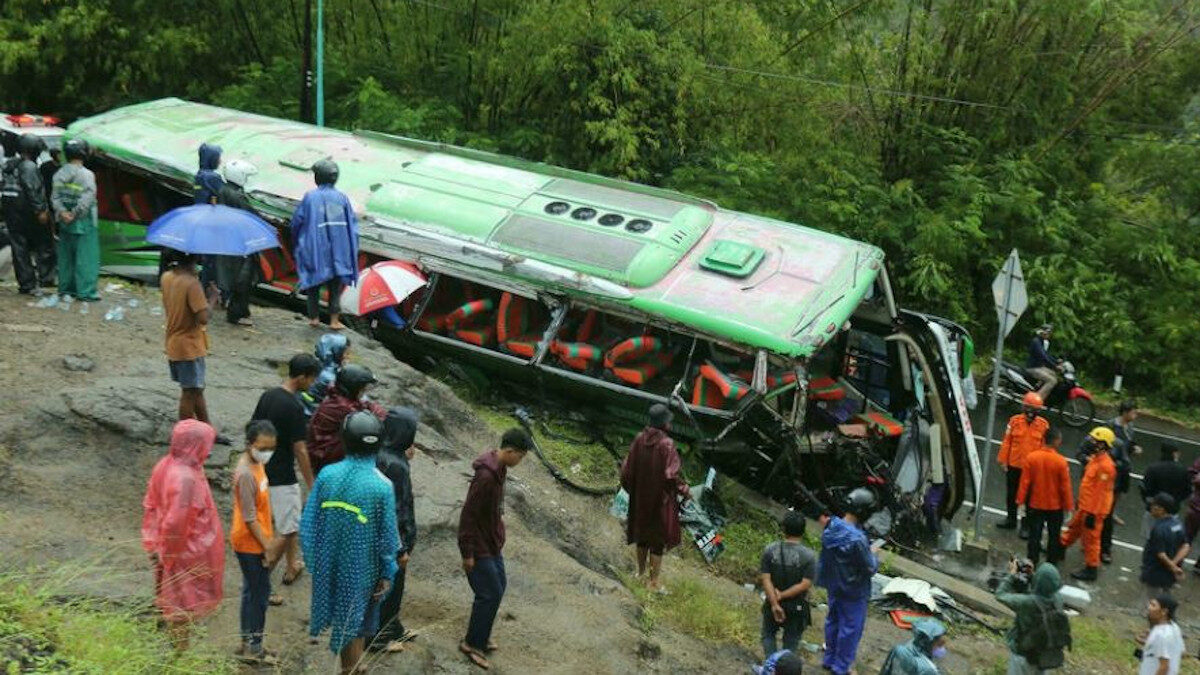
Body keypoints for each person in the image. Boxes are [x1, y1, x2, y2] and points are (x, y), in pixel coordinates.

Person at [301, 412, 400, 675]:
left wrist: (315, 562)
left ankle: (353, 665)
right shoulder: (382, 486)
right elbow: (388, 540)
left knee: (348, 618)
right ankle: (349, 669)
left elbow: (309, 523)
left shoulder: (327, 474)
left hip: (328, 563)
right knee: (357, 620)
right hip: (362, 572)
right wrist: (387, 573)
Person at [140, 419, 225, 652]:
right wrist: (168, 555)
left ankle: (171, 640)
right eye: (206, 445)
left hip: (164, 543)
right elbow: (176, 523)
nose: (209, 450)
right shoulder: (186, 478)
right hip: (182, 552)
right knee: (181, 606)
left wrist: (157, 545)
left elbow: (154, 503)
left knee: (169, 595)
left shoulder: (167, 464)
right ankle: (180, 656)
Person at [457, 428, 532, 670]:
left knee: (498, 587)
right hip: (478, 545)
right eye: (520, 456)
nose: (520, 461)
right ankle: (472, 644)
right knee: (488, 593)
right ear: (509, 451)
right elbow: (468, 515)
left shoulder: (500, 468)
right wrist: (467, 553)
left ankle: (481, 633)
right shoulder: (486, 476)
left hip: (491, 541)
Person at [251, 353, 321, 598]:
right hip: (282, 476)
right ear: (302, 377)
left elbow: (253, 429)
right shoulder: (294, 407)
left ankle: (292, 566)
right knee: (288, 529)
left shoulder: (268, 396)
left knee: (286, 520)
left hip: (262, 470)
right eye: (311, 379)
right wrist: (311, 483)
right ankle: (261, 583)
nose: (312, 384)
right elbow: (300, 449)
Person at [620, 403, 690, 592]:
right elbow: (670, 475)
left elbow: (626, 471)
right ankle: (653, 582)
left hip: (641, 499)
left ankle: (640, 573)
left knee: (642, 537)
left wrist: (633, 491)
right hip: (660, 502)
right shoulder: (666, 445)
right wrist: (684, 490)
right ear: (664, 424)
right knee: (657, 543)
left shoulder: (638, 440)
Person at [160, 252, 229, 443]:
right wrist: (213, 298)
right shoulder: (191, 284)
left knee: (196, 389)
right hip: (189, 346)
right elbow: (203, 317)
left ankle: (208, 430)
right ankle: (184, 438)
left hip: (174, 342)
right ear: (193, 260)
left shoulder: (167, 277)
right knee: (189, 391)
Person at [231, 420, 284, 665]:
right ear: (250, 444)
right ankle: (255, 648)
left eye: (271, 447)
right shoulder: (245, 474)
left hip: (257, 538)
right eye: (263, 447)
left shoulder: (257, 464)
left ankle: (246, 644)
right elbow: (250, 517)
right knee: (259, 595)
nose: (268, 452)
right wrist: (269, 547)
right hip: (250, 543)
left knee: (251, 591)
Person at [372, 407, 420, 653]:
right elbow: (396, 510)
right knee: (390, 586)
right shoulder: (396, 466)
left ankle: (394, 627)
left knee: (390, 586)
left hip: (380, 536)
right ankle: (378, 639)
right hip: (393, 540)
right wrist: (401, 548)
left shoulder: (380, 452)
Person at [816, 488, 880, 675]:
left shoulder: (832, 526)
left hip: (834, 584)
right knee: (850, 629)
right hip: (854, 589)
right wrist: (874, 555)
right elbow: (869, 568)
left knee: (833, 621)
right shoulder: (858, 540)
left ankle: (829, 659)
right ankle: (841, 667)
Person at [290, 158, 358, 330]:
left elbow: (297, 221)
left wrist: (297, 242)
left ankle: (314, 318)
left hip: (316, 247)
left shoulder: (310, 197)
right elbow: (352, 226)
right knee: (335, 285)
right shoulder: (342, 198)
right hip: (338, 249)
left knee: (313, 283)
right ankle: (334, 320)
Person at [1060, 427, 1117, 581]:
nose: (1090, 442)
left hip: (1093, 510)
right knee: (1074, 527)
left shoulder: (1106, 466)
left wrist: (1092, 513)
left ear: (1103, 445)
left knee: (1091, 540)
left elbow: (1100, 493)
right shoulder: (1095, 460)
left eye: (1094, 440)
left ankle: (1091, 568)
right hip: (1086, 505)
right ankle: (1061, 546)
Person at [307, 364, 386, 475]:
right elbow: (374, 418)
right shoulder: (343, 407)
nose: (364, 392)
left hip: (322, 455)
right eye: (362, 389)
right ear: (353, 387)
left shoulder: (337, 397)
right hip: (325, 459)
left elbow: (367, 406)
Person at [995, 561, 1072, 674]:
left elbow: (1000, 595)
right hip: (1044, 652)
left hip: (1023, 653)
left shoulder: (1027, 603)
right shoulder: (1058, 599)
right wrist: (1033, 576)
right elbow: (1043, 590)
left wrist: (1011, 575)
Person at [759, 510, 816, 658]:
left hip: (772, 602)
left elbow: (766, 579)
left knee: (768, 634)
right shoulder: (809, 557)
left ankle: (770, 667)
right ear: (803, 531)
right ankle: (784, 669)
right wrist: (783, 595)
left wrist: (774, 603)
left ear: (783, 529)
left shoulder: (770, 550)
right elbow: (805, 585)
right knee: (791, 642)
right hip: (797, 606)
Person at [50, 138, 100, 302]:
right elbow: (87, 197)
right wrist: (75, 214)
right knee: (86, 258)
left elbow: (55, 197)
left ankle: (66, 289)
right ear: (84, 153)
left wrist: (63, 213)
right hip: (84, 222)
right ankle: (86, 292)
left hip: (64, 223)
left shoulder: (59, 173)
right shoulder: (87, 174)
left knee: (66, 258)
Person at [4, 133, 54, 294]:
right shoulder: (29, 166)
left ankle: (26, 283)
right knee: (44, 244)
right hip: (28, 211)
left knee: (19, 248)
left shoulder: (9, 165)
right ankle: (46, 278)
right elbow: (33, 189)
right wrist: (40, 210)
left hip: (11, 211)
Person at [1017, 426, 1073, 565]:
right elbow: (1065, 487)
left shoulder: (1032, 458)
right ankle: (1051, 563)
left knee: (1034, 536)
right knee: (1054, 536)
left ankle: (1032, 561)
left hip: (1036, 504)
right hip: (1055, 506)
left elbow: (1025, 482)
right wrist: (1068, 507)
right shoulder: (1061, 461)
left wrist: (1021, 502)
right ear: (1057, 441)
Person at [997, 393, 1050, 538]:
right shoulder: (1014, 421)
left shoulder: (1043, 426)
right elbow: (1007, 441)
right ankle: (1011, 519)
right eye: (1028, 408)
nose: (1031, 412)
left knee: (1029, 499)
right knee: (1011, 494)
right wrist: (1003, 461)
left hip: (1032, 470)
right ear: (1023, 407)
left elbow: (1045, 448)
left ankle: (1025, 526)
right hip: (1014, 465)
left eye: (1035, 409)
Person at [216, 159, 259, 326]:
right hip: (241, 242)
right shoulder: (237, 195)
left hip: (230, 241)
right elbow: (251, 214)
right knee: (243, 278)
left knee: (236, 277)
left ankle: (242, 310)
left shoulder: (223, 191)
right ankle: (236, 313)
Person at [1101, 400, 1142, 562]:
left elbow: (1129, 443)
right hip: (1113, 467)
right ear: (1125, 412)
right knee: (1109, 493)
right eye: (1133, 412)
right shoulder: (1111, 425)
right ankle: (1107, 513)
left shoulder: (1130, 427)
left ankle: (1112, 512)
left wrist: (1134, 448)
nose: (1135, 415)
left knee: (1119, 493)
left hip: (1124, 467)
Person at [1141, 493, 1190, 597]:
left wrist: (1173, 567)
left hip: (1155, 572)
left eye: (1154, 506)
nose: (1151, 508)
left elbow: (1161, 554)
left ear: (1161, 509)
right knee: (1165, 599)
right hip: (1169, 575)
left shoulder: (1158, 529)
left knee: (1152, 603)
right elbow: (1185, 546)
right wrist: (1174, 565)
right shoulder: (1177, 524)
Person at [193, 142, 224, 296]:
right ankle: (209, 290)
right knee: (213, 260)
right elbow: (223, 194)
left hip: (202, 220)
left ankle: (204, 288)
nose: (220, 161)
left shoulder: (199, 175)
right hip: (213, 222)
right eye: (218, 157)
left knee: (207, 260)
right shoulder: (212, 177)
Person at [1141, 445, 1190, 539]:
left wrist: (1150, 504)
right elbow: (1187, 490)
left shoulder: (1153, 468)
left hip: (1153, 510)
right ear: (1174, 453)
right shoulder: (1183, 470)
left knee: (1149, 539)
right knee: (1167, 539)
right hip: (1172, 511)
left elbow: (1145, 489)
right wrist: (1177, 500)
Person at [300, 333, 351, 416]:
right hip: (314, 414)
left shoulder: (318, 364)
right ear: (336, 353)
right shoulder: (329, 377)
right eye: (346, 354)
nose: (348, 357)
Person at [880, 617, 949, 675]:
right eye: (939, 645)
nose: (942, 648)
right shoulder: (929, 669)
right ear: (928, 643)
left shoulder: (899, 649)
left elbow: (885, 670)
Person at [1137, 595, 1184, 675]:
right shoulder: (1174, 627)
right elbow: (1181, 651)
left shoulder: (1162, 635)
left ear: (1164, 611)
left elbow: (1164, 667)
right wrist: (1148, 643)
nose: (1149, 608)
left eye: (1153, 605)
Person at [1025, 324, 1058, 401]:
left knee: (1054, 374)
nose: (1049, 335)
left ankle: (1039, 389)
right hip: (1033, 368)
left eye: (1050, 333)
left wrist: (1056, 362)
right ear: (1043, 332)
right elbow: (1043, 357)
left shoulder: (1041, 341)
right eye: (1048, 332)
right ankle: (1036, 400)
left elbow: (1047, 355)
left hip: (1039, 367)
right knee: (1052, 381)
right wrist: (1054, 366)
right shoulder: (1036, 342)